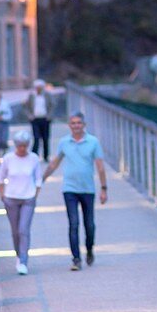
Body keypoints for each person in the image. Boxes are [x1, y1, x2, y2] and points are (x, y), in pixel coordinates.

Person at [41, 111, 107, 271]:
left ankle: (89, 249)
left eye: (79, 123)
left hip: (87, 189)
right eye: (73, 123)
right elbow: (55, 163)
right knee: (73, 223)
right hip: (69, 189)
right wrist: (41, 179)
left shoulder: (93, 142)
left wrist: (104, 188)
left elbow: (100, 166)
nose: (76, 126)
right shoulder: (64, 142)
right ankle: (76, 259)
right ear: (69, 125)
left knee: (89, 225)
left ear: (84, 125)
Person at [0, 129, 42, 275]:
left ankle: (23, 260)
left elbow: (38, 179)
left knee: (24, 230)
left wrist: (35, 195)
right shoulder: (8, 158)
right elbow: (0, 178)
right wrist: (2, 195)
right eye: (20, 145)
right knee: (15, 231)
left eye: (25, 145)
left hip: (28, 198)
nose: (22, 148)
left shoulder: (34, 158)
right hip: (11, 198)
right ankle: (18, 254)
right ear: (16, 145)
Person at [25, 79, 55, 161]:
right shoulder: (32, 96)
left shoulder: (47, 95)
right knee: (36, 137)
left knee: (45, 138)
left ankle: (46, 156)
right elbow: (27, 107)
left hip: (45, 118)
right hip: (35, 119)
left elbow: (52, 105)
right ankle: (34, 155)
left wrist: (49, 115)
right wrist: (30, 116)